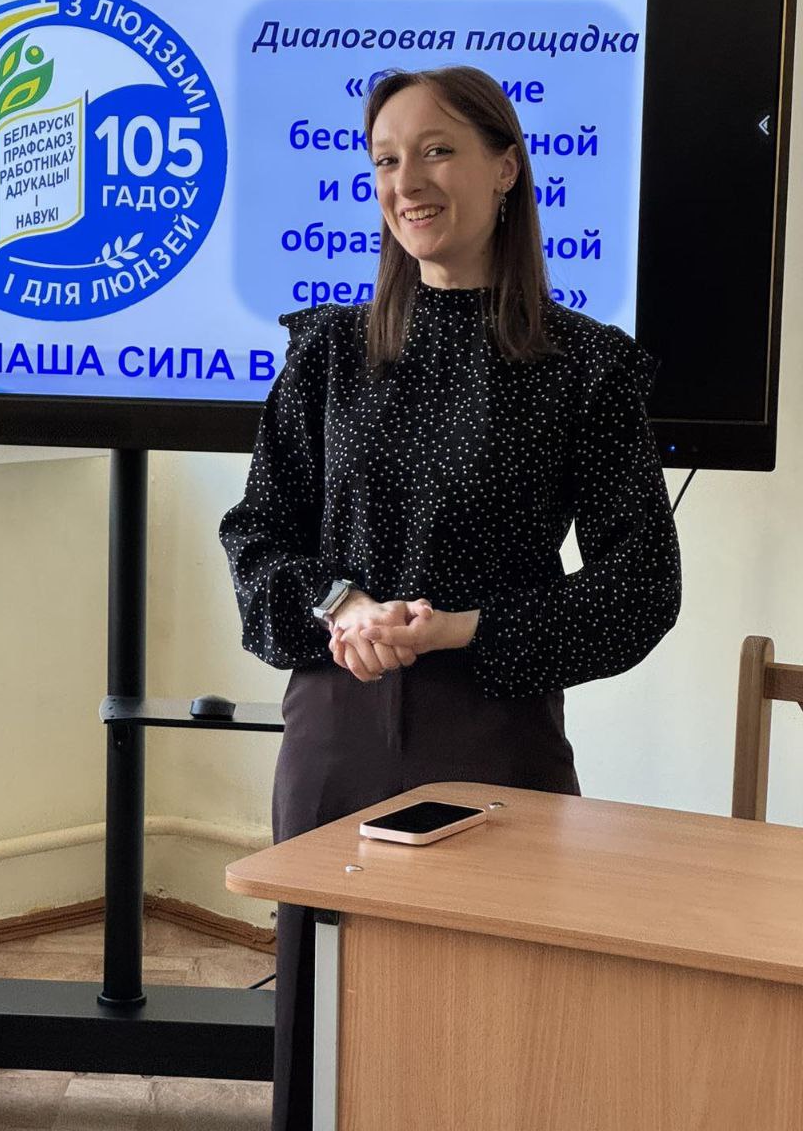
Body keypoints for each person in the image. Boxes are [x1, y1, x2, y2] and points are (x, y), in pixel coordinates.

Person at [219, 65, 682, 1130]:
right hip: (334, 730)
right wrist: (342, 605)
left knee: (496, 1040)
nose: (407, 181)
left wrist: (467, 628)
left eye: (436, 150)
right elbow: (256, 535)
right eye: (387, 159)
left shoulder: (587, 368)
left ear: (506, 167)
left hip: (496, 734)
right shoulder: (328, 353)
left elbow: (642, 584)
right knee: (328, 1033)